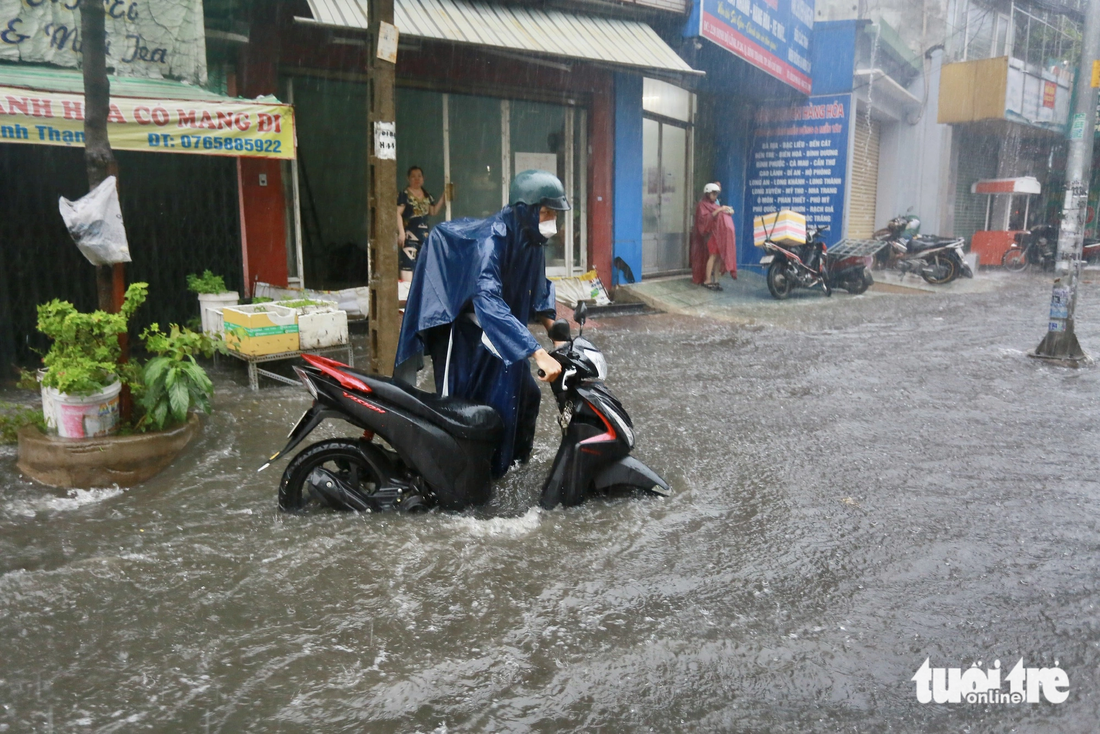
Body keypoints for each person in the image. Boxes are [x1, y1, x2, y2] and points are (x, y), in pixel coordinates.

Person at [395, 170, 568, 478]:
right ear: (524, 208)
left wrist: (555, 331)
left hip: (499, 329)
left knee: (526, 395)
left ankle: (510, 468)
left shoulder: (532, 240)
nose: (550, 218)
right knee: (461, 407)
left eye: (554, 212)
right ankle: (446, 477)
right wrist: (536, 352)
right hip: (459, 326)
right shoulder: (491, 241)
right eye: (545, 211)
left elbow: (539, 288)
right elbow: (487, 300)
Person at [397, 166, 447, 280]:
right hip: (410, 234)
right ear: (408, 178)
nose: (416, 179)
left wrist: (443, 198)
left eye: (419, 176)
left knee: (423, 264)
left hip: (424, 235)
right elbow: (397, 213)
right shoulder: (404, 194)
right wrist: (401, 233)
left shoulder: (427, 195)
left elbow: (433, 211)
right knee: (408, 264)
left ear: (423, 178)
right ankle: (407, 293)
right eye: (413, 176)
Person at [691, 182, 738, 290]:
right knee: (712, 256)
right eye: (713, 194)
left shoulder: (714, 204)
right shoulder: (702, 204)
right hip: (711, 235)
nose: (715, 196)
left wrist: (726, 211)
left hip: (718, 235)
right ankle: (707, 280)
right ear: (708, 193)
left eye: (716, 194)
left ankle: (716, 280)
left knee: (718, 258)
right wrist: (720, 210)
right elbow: (705, 219)